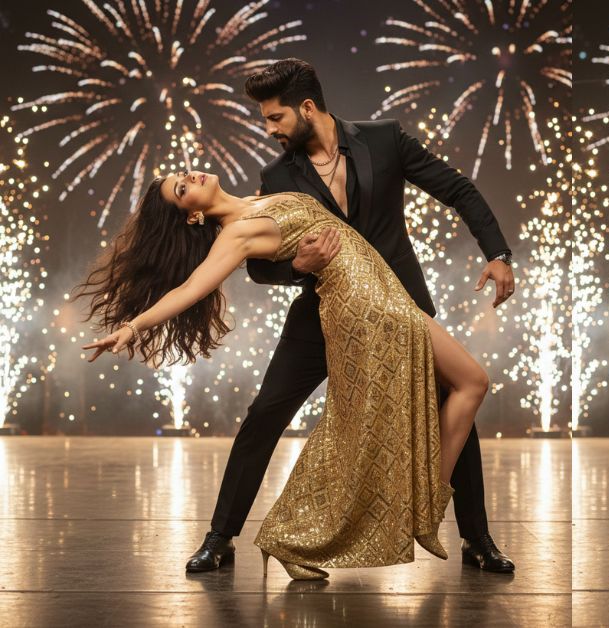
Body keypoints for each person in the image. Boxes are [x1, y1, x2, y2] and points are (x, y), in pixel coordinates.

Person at [179, 58, 516, 575]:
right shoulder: (277, 176)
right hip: (321, 313)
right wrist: (299, 264)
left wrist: (497, 253)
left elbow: (458, 189)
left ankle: (476, 539)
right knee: (266, 412)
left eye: (275, 118)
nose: (269, 130)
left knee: (454, 399)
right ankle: (221, 537)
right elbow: (259, 265)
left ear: (307, 107)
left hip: (397, 304)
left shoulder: (384, 140)